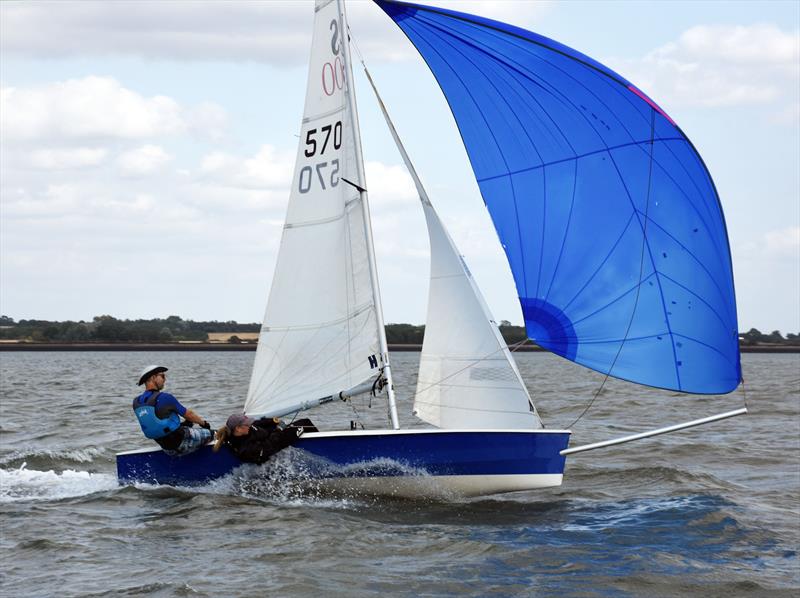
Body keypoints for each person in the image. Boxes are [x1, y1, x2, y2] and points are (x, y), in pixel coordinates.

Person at [132, 365, 213, 456]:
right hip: (183, 442)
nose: (165, 379)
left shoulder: (136, 403)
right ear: (153, 377)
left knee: (186, 425)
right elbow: (189, 414)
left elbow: (157, 422)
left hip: (168, 450)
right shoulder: (165, 397)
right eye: (162, 376)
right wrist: (204, 424)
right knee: (216, 434)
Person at [213, 413, 317, 464]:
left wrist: (272, 421)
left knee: (305, 421)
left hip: (274, 434)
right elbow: (269, 447)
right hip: (277, 441)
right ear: (238, 429)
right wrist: (279, 429)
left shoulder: (245, 429)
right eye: (246, 424)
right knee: (305, 423)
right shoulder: (244, 447)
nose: (249, 425)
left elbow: (257, 423)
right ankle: (322, 450)